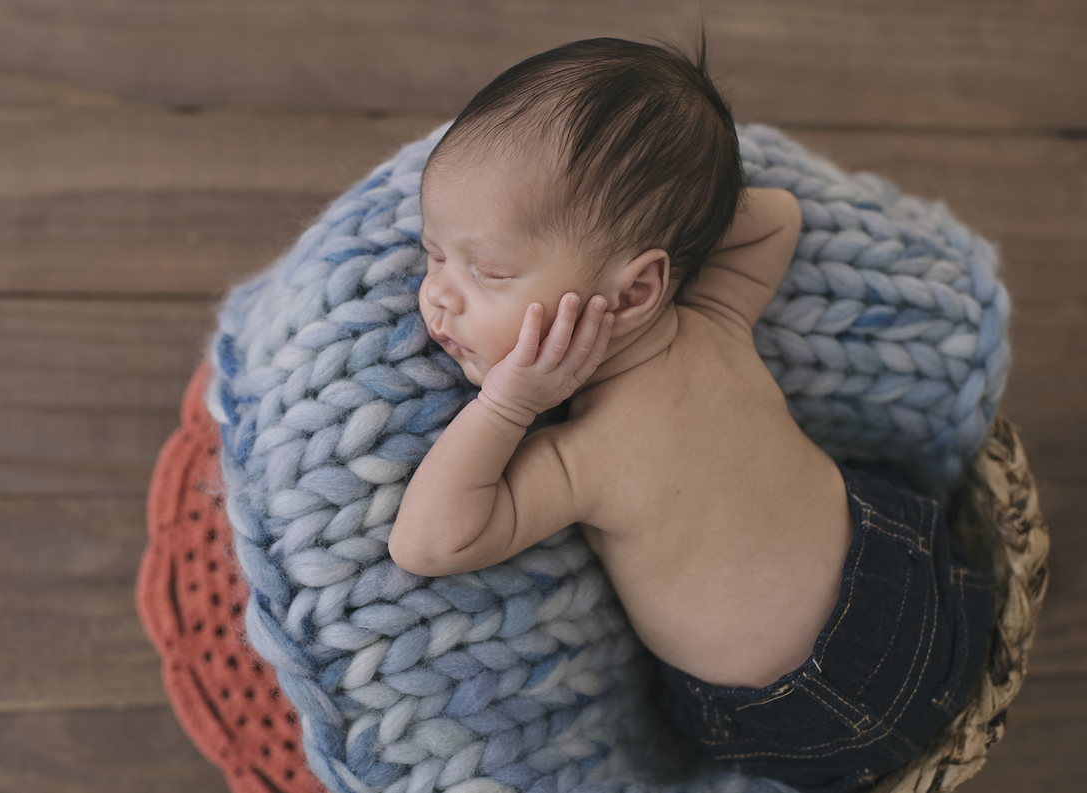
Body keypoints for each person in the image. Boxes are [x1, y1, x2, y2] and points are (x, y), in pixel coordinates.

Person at [387, 37, 993, 793]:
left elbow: (429, 541)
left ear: (639, 290)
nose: (439, 293)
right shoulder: (714, 316)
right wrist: (675, 213)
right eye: (433, 252)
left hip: (807, 711)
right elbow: (776, 214)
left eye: (490, 270)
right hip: (916, 570)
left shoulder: (587, 455)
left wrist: (509, 403)